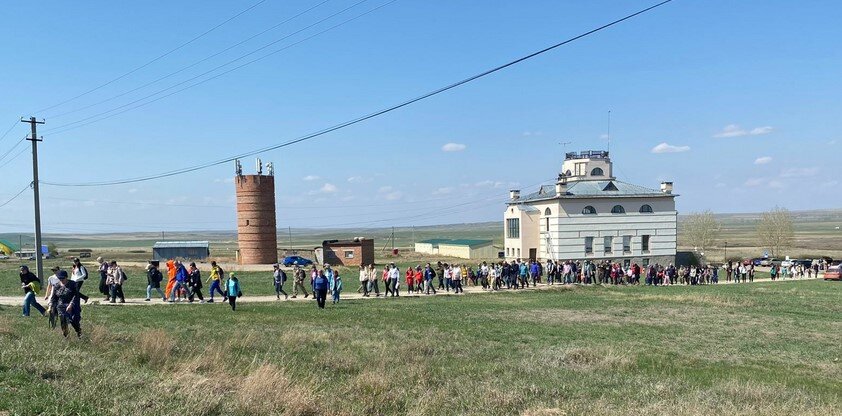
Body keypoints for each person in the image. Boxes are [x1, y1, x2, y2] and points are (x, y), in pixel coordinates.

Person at [50, 270, 82, 338]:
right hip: (61, 305)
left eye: (63, 278)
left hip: (73, 305)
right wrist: (51, 306)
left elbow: (76, 295)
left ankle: (79, 332)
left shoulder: (73, 284)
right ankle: (66, 337)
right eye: (60, 279)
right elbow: (54, 297)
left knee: (73, 321)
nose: (61, 280)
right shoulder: (56, 286)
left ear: (66, 277)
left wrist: (71, 304)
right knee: (63, 321)